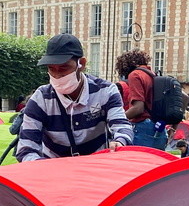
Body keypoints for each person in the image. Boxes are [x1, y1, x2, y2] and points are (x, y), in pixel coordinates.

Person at [16, 34, 132, 162]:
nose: (57, 75)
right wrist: (43, 168)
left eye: (64, 67)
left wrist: (120, 141)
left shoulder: (105, 91)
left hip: (96, 168)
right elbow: (26, 148)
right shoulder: (40, 99)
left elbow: (122, 125)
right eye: (51, 68)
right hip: (53, 171)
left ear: (81, 63)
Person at [116, 49, 169, 151]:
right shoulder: (152, 74)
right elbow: (183, 97)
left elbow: (138, 108)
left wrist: (118, 119)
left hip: (142, 128)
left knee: (137, 163)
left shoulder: (135, 75)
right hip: (157, 127)